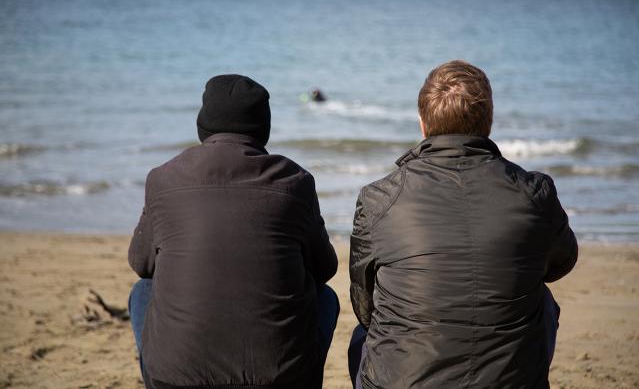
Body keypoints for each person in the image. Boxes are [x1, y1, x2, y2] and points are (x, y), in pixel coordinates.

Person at [348, 60, 578, 388]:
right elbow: (562, 263)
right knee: (540, 298)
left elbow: (365, 304)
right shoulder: (533, 193)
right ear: (489, 122)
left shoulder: (379, 198)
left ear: (422, 124)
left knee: (368, 331)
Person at [128, 74, 339, 389]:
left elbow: (141, 264)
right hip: (280, 377)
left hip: (174, 379)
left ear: (204, 124)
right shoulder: (295, 181)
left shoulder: (163, 178)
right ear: (262, 129)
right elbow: (325, 268)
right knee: (325, 297)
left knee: (143, 291)